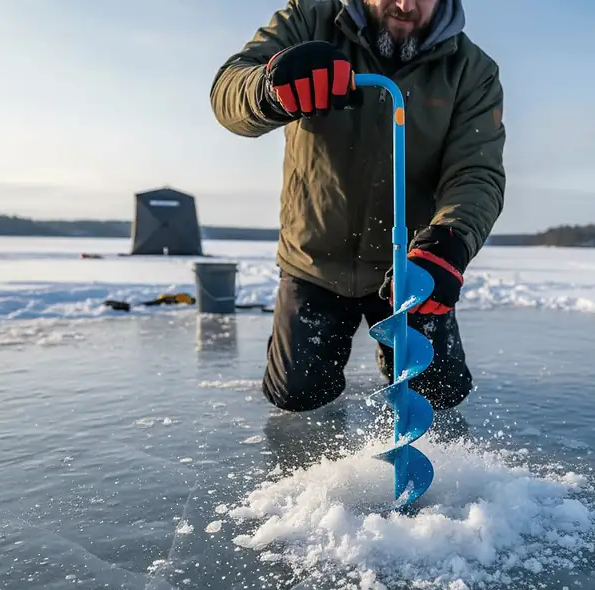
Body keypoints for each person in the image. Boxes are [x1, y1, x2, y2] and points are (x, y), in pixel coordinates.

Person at [210, 0, 505, 428]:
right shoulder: (310, 19)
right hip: (315, 258)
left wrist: (451, 239)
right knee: (298, 397)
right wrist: (270, 88)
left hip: (408, 265)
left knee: (438, 393)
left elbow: (476, 170)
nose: (405, 5)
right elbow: (228, 92)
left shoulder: (470, 69)